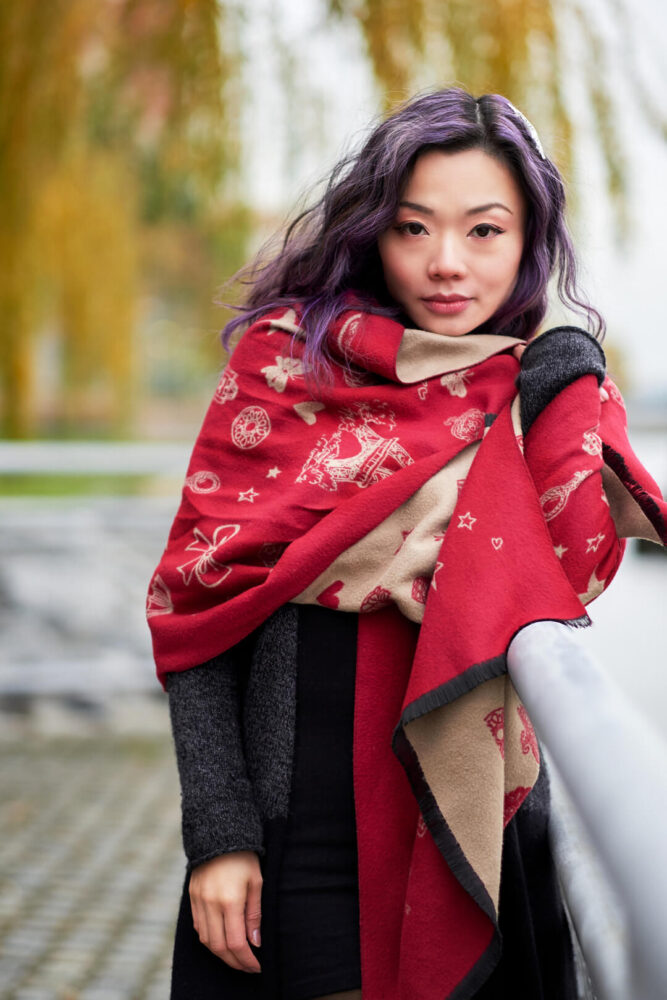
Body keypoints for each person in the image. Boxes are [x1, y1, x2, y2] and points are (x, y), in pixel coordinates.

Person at [147, 87, 667, 1000]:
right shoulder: (280, 368)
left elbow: (573, 575)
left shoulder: (534, 383)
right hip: (295, 822)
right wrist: (220, 833)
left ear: (526, 243)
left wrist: (560, 389)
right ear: (372, 232)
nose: (446, 264)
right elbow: (195, 618)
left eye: (483, 231)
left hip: (474, 817)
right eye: (414, 227)